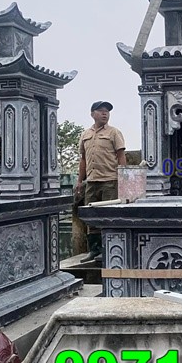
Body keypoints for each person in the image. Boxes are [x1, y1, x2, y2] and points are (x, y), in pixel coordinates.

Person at [75, 101, 126, 262]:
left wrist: (123, 177)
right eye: (101, 111)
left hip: (110, 180)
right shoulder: (85, 134)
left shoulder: (114, 132)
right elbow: (83, 159)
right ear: (93, 114)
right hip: (91, 181)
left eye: (107, 111)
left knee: (108, 215)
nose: (105, 114)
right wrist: (79, 181)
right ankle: (94, 249)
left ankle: (109, 249)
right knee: (91, 216)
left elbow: (121, 156)